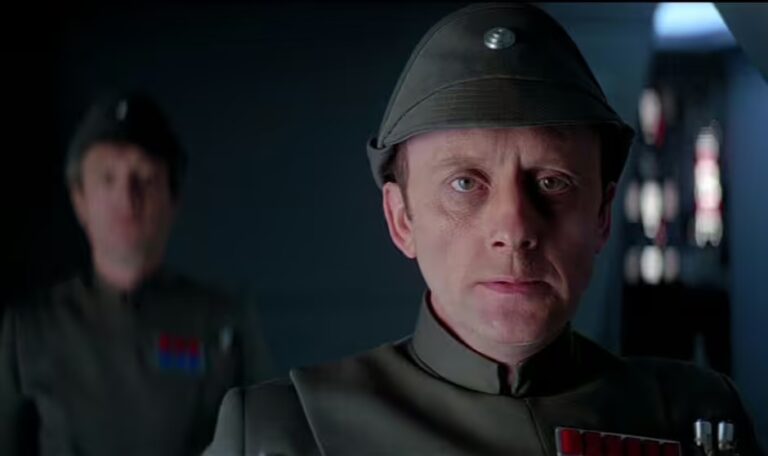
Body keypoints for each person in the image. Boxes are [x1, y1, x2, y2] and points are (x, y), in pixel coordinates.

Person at [205, 4, 763, 455]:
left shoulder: (695, 421)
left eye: (552, 182)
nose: (515, 229)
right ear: (401, 219)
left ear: (602, 215)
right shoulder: (287, 431)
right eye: (465, 184)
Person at [0, 92, 270, 455]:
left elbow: (269, 443)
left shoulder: (225, 323)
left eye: (144, 177)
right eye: (107, 178)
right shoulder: (28, 332)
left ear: (172, 198)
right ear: (80, 200)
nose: (126, 198)